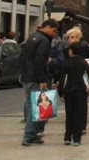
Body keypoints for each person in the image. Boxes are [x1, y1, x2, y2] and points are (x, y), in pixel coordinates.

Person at [21, 18, 58, 146]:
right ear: (47, 27)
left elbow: (24, 57)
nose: (54, 34)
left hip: (26, 76)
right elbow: (39, 60)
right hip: (36, 78)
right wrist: (42, 79)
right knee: (35, 107)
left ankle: (32, 134)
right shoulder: (44, 41)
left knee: (30, 105)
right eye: (53, 30)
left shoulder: (32, 37)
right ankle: (29, 135)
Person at [58, 42, 89, 146]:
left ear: (71, 51)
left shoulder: (66, 63)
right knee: (79, 114)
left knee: (69, 115)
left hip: (68, 90)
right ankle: (77, 138)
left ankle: (67, 137)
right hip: (81, 90)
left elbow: (62, 79)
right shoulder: (84, 62)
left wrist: (60, 92)